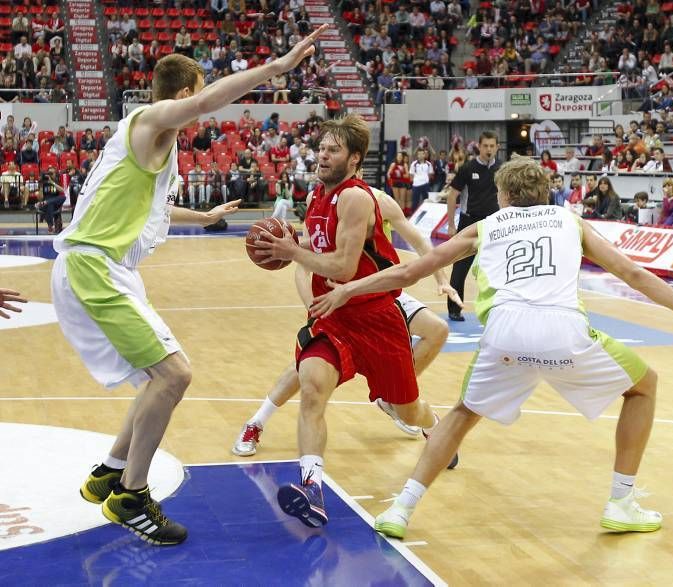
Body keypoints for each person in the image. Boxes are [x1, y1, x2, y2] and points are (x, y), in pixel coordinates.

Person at [308, 156, 673, 540]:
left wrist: (350, 290)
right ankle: (620, 503)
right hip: (564, 332)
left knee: (462, 414)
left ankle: (401, 508)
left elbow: (409, 274)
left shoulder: (485, 226)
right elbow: (633, 274)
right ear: (546, 192)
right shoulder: (570, 220)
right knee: (644, 386)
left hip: (505, 334)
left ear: (501, 195)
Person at [50, 26, 327, 547]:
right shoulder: (150, 121)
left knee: (157, 379)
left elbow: (150, 209)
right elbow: (212, 96)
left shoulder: (157, 146)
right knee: (174, 376)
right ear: (183, 96)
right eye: (195, 98)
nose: (201, 110)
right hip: (94, 268)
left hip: (110, 271)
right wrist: (276, 69)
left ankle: (111, 471)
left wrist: (202, 217)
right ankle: (131, 495)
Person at [248, 114, 452, 529]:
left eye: (333, 150)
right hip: (334, 316)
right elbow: (315, 256)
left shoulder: (358, 198)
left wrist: (291, 252)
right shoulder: (317, 197)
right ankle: (312, 487)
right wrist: (292, 252)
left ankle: (435, 428)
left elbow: (342, 267)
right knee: (311, 389)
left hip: (376, 316)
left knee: (407, 409)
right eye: (321, 148)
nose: (322, 155)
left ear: (355, 158)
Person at [233, 182, 461, 455]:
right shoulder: (321, 198)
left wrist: (442, 280)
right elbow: (305, 263)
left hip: (378, 291)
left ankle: (395, 398)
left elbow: (421, 242)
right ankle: (257, 421)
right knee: (306, 367)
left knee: (437, 330)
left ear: (355, 160)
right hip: (335, 296)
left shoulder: (379, 201)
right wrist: (313, 307)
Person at [445, 130, 500, 321]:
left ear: (497, 147)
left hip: (495, 224)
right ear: (479, 146)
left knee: (499, 268)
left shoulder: (501, 169)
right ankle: (454, 308)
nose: (489, 149)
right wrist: (451, 225)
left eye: (492, 146)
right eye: (485, 146)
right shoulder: (468, 168)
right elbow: (452, 195)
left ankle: (499, 309)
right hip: (469, 223)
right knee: (460, 267)